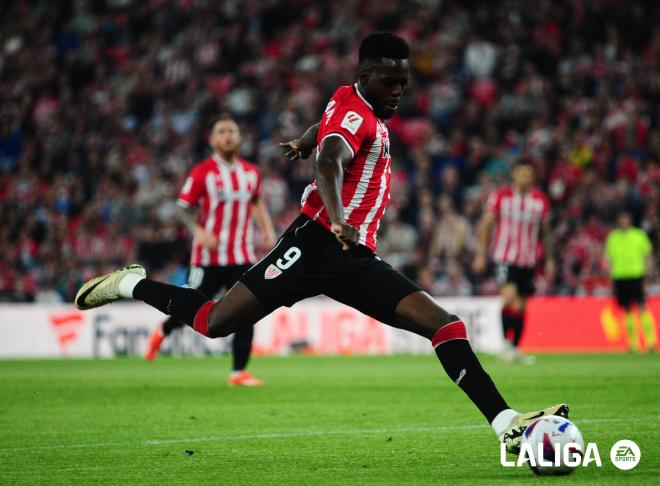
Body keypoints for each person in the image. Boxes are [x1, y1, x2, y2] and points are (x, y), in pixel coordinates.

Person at [74, 32, 567, 454]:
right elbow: (330, 160)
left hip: (353, 258)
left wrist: (304, 140)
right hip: (313, 245)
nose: (397, 92)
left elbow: (324, 133)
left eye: (403, 83)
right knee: (213, 322)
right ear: (365, 72)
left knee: (446, 326)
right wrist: (334, 214)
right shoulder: (358, 119)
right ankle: (132, 285)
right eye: (389, 82)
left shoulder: (347, 99)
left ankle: (506, 425)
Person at [144, 114, 277, 386]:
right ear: (213, 140)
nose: (228, 135)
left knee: (247, 310)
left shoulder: (251, 173)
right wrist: (199, 232)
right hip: (207, 259)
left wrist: (268, 230)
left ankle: (238, 372)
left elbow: (256, 203)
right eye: (222, 131)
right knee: (191, 307)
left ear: (239, 138)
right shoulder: (203, 172)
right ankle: (164, 329)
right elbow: (182, 208)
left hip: (241, 255)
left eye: (232, 131)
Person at [473, 160, 555, 364]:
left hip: (528, 259)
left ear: (533, 176)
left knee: (521, 305)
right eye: (521, 173)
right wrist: (481, 253)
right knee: (509, 297)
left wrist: (550, 259)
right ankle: (505, 345)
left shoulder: (540, 200)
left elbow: (546, 232)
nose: (524, 177)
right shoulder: (501, 196)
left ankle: (515, 348)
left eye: (528, 173)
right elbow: (487, 224)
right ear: (514, 175)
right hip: (504, 257)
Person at [604, 210, 656, 352]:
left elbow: (647, 256)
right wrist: (609, 278)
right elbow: (608, 260)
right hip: (620, 276)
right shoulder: (613, 237)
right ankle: (633, 344)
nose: (623, 222)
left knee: (642, 307)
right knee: (626, 310)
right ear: (618, 221)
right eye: (621, 219)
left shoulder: (639, 235)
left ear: (630, 220)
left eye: (626, 219)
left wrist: (648, 275)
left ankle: (651, 342)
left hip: (636, 275)